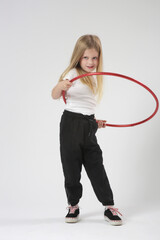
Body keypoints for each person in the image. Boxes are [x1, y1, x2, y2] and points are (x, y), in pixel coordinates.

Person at [51, 34, 123, 226]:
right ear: (78, 57)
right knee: (71, 167)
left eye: (94, 57)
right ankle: (73, 205)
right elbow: (55, 95)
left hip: (88, 124)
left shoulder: (94, 77)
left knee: (96, 165)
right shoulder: (73, 73)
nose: (90, 62)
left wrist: (94, 122)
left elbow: (86, 105)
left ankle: (109, 206)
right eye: (85, 57)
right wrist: (60, 85)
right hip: (71, 124)